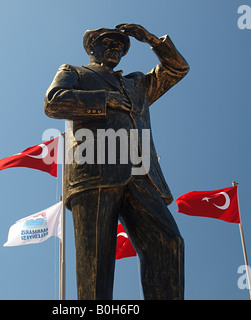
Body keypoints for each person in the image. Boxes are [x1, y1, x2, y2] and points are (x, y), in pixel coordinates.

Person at [44, 23, 189, 299]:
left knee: (168, 242)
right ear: (91, 48)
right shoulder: (75, 72)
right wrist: (105, 100)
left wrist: (151, 40)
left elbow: (177, 69)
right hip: (93, 170)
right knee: (96, 265)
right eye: (108, 43)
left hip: (140, 173)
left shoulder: (138, 84)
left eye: (120, 46)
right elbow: (53, 102)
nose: (115, 49)